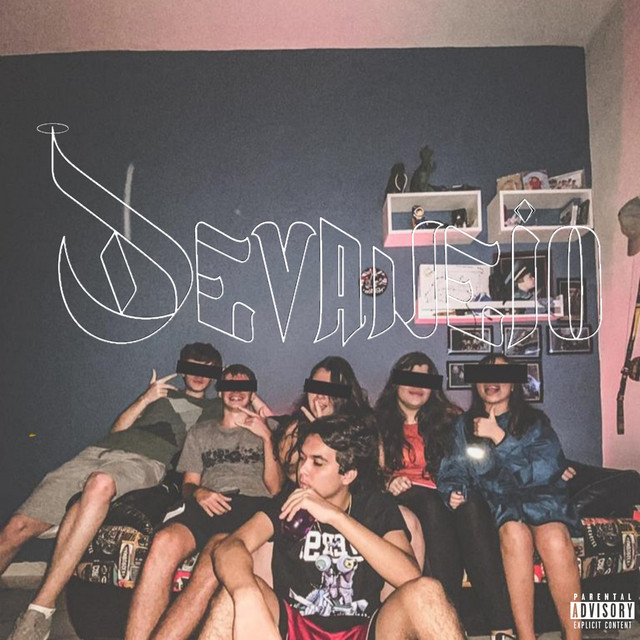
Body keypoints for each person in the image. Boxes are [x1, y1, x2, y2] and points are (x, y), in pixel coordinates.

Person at [4, 342, 223, 640]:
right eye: (192, 366)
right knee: (15, 529)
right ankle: (72, 519)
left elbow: (243, 423)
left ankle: (40, 610)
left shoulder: (215, 409)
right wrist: (146, 398)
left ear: (215, 375)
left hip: (146, 461)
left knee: (100, 483)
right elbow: (117, 431)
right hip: (97, 453)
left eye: (207, 369)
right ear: (183, 370)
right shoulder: (161, 396)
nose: (199, 374)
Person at [201, 416, 466, 640]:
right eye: (302, 458)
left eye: (317, 462)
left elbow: (410, 577)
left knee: (428, 592)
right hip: (294, 627)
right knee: (229, 598)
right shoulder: (287, 503)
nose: (302, 471)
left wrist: (336, 517)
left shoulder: (376, 506)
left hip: (362, 630)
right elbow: (229, 547)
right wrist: (246, 594)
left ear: (347, 475)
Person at [124, 364, 284, 640]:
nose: (235, 391)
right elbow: (188, 485)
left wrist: (267, 437)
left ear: (252, 392)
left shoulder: (270, 430)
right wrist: (198, 493)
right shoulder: (201, 432)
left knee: (213, 555)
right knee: (163, 542)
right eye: (229, 385)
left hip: (249, 506)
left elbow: (276, 488)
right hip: (206, 502)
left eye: (243, 385)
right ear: (220, 392)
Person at [438, 353, 582, 640]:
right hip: (501, 506)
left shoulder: (535, 422)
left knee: (555, 539)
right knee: (515, 535)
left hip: (542, 501)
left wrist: (501, 439)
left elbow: (547, 469)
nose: (492, 382)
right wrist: (453, 490)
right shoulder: (464, 426)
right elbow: (454, 467)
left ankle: (574, 636)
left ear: (514, 384)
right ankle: (526, 636)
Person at [375, 352, 514, 639]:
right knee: (429, 504)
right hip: (405, 497)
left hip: (444, 494)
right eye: (410, 377)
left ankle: (502, 627)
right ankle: (445, 622)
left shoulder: (451, 420)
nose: (417, 385)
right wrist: (388, 482)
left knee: (471, 507)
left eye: (425, 379)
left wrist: (459, 490)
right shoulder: (377, 423)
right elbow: (367, 472)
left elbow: (468, 464)